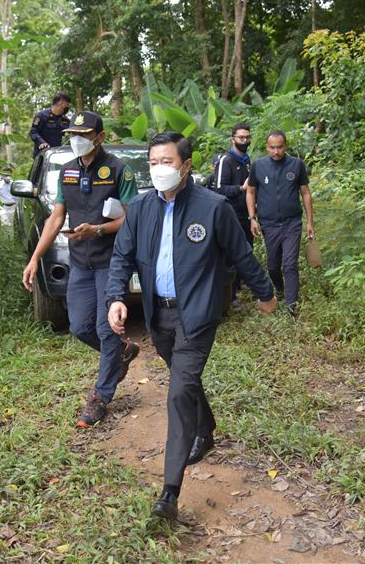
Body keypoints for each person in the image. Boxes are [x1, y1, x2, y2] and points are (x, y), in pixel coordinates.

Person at [106, 132, 277, 521]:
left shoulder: (212, 207)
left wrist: (265, 292)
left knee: (179, 390)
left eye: (166, 161)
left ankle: (169, 491)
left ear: (186, 165)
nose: (159, 169)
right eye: (153, 163)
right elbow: (122, 258)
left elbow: (242, 256)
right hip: (158, 315)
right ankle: (207, 427)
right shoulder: (141, 208)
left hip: (197, 314)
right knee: (185, 378)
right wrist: (116, 297)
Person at [21, 111, 141, 428]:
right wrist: (34, 258)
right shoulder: (68, 171)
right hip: (80, 262)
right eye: (73, 133)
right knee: (79, 327)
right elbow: (56, 217)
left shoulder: (119, 170)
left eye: (84, 134)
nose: (77, 139)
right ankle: (123, 352)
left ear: (99, 137)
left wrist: (99, 230)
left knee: (105, 329)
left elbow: (131, 218)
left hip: (110, 261)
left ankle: (100, 398)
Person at [246, 130, 315, 317]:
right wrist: (252, 218)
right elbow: (250, 192)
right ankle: (281, 289)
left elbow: (306, 193)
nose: (276, 151)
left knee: (290, 264)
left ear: (286, 146)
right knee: (273, 266)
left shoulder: (296, 165)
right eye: (272, 147)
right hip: (269, 224)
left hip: (292, 223)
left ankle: (291, 306)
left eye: (280, 147)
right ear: (266, 147)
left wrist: (309, 222)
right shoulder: (258, 166)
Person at [206, 123, 253, 305]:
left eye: (247, 137)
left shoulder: (247, 160)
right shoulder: (226, 160)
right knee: (231, 255)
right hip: (230, 213)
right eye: (241, 137)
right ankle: (230, 296)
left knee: (247, 250)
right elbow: (219, 189)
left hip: (246, 213)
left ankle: (241, 286)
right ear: (233, 139)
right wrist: (241, 188)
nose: (244, 141)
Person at [29, 93, 72, 158]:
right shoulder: (41, 116)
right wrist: (41, 142)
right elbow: (33, 132)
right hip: (41, 155)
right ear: (60, 103)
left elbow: (73, 131)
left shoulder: (65, 120)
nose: (67, 109)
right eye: (66, 106)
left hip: (56, 154)